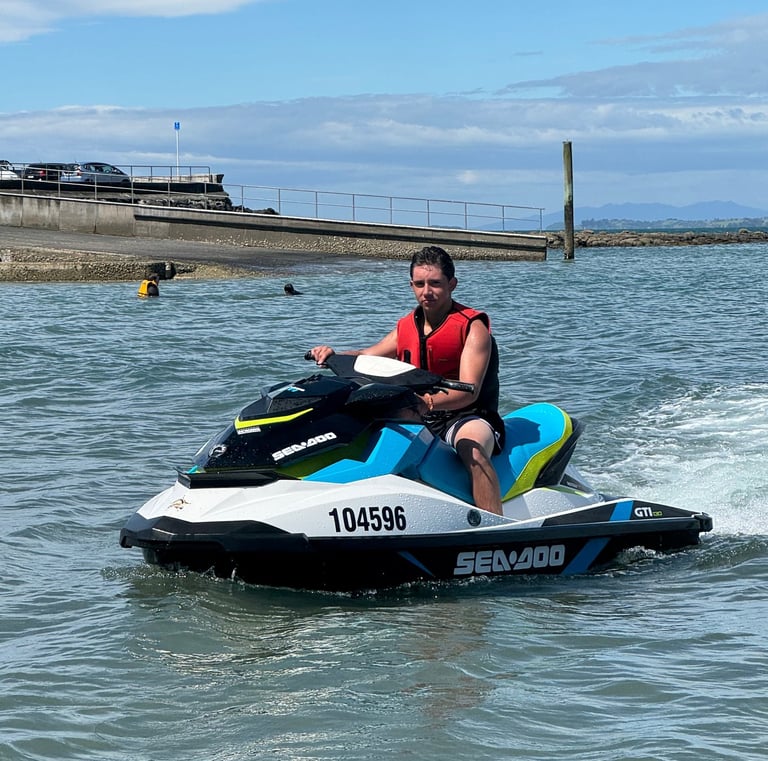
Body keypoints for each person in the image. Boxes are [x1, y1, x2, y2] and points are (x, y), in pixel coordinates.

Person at [309, 245, 505, 515]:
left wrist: (426, 403)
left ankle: (496, 527)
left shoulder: (473, 327)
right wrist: (333, 355)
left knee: (472, 450)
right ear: (411, 285)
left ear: (452, 284)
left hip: (467, 416)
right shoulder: (406, 326)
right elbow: (367, 356)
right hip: (416, 412)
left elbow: (469, 392)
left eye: (435, 283)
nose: (427, 292)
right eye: (420, 284)